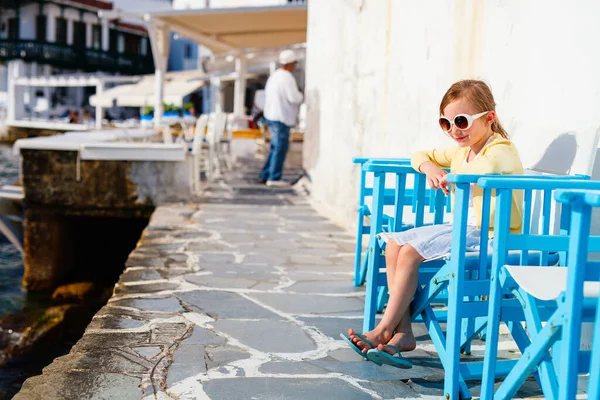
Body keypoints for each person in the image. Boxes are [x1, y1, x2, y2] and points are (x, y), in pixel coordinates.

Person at [341, 79, 524, 368]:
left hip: (493, 235)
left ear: (489, 118)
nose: (454, 130)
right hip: (465, 229)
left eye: (461, 121)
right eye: (446, 123)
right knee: (393, 244)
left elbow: (486, 168)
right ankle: (403, 332)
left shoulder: (501, 149)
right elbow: (419, 156)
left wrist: (450, 175)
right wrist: (431, 167)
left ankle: (383, 329)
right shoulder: (462, 151)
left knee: (412, 252)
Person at [259, 49, 304, 187]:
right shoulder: (287, 78)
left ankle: (265, 174)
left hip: (272, 115)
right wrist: (302, 96)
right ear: (290, 63)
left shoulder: (274, 76)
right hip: (281, 117)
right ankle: (274, 177)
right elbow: (293, 97)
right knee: (280, 147)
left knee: (275, 147)